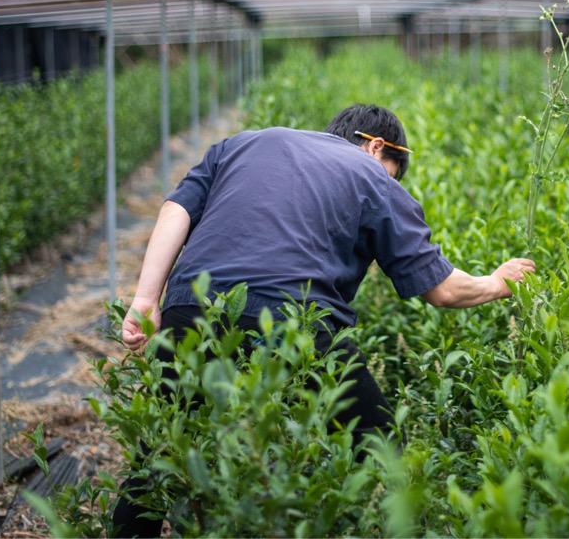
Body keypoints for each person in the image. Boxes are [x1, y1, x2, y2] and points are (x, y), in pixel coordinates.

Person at [112, 103, 535, 536]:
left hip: (191, 309)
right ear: (375, 147)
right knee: (380, 443)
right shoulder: (370, 174)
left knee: (162, 452)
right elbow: (442, 289)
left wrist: (146, 298)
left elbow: (174, 211)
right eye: (393, 171)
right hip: (292, 319)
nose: (390, 181)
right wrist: (497, 283)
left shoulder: (240, 144)